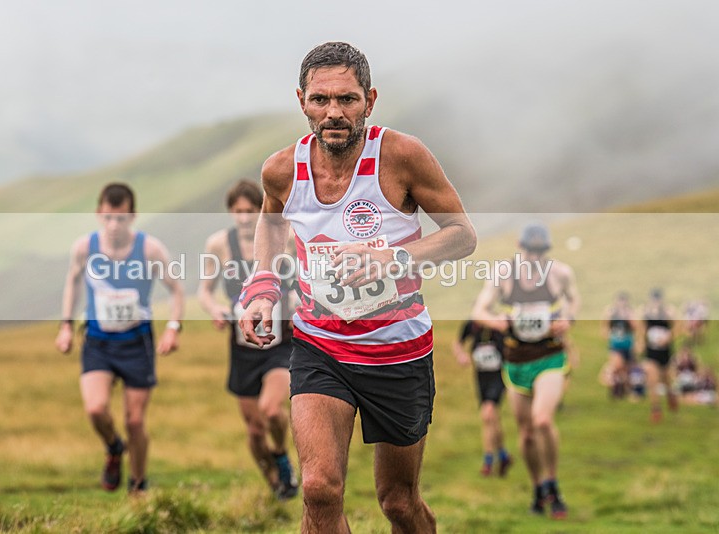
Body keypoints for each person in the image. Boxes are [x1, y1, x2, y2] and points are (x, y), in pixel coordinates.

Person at [239, 42, 476, 533]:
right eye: (321, 100)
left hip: (398, 352)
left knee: (398, 503)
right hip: (320, 346)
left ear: (370, 100)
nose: (334, 113)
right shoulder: (282, 169)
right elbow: (271, 222)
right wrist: (262, 284)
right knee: (319, 490)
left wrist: (393, 258)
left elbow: (462, 236)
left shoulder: (403, 157)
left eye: (347, 99)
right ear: (301, 100)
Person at [55, 182, 183, 494]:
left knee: (135, 421)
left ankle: (138, 485)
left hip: (136, 343)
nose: (114, 225)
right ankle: (114, 448)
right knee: (96, 409)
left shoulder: (149, 249)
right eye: (109, 218)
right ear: (99, 214)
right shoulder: (84, 248)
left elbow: (176, 289)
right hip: (98, 341)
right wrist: (66, 325)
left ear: (133, 216)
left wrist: (173, 327)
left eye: (122, 218)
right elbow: (72, 282)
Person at [197, 179, 299, 500]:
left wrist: (297, 304)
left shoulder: (286, 239)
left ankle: (282, 456)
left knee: (271, 411)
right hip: (241, 347)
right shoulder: (218, 245)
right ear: (230, 212)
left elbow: (298, 282)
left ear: (260, 211)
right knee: (254, 430)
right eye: (237, 212)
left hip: (280, 342)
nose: (243, 218)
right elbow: (204, 289)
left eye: (250, 211)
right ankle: (274, 481)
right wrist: (214, 309)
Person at [471, 223, 579, 520]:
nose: (534, 255)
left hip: (550, 357)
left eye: (540, 250)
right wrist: (497, 322)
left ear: (547, 250)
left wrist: (567, 319)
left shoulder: (560, 274)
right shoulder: (503, 276)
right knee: (527, 433)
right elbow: (479, 311)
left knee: (542, 420)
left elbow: (574, 300)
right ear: (520, 248)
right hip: (516, 361)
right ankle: (537, 487)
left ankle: (553, 484)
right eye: (530, 250)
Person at [453, 320, 513, 477]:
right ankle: (503, 455)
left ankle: (488, 461)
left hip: (499, 376)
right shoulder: (471, 325)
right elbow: (458, 343)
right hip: (481, 378)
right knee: (493, 419)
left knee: (487, 414)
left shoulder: (500, 325)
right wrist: (461, 355)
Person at [640, 288, 678, 423]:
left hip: (665, 353)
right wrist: (641, 343)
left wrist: (668, 338)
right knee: (652, 380)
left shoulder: (668, 312)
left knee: (666, 380)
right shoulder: (646, 313)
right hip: (651, 352)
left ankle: (671, 396)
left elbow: (677, 328)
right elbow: (642, 329)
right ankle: (656, 409)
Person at [600, 292, 638, 399]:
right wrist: (607, 335)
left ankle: (622, 391)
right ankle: (614, 389)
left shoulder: (630, 312)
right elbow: (605, 325)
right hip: (616, 344)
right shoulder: (611, 312)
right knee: (617, 365)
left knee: (625, 369)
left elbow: (635, 327)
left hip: (628, 344)